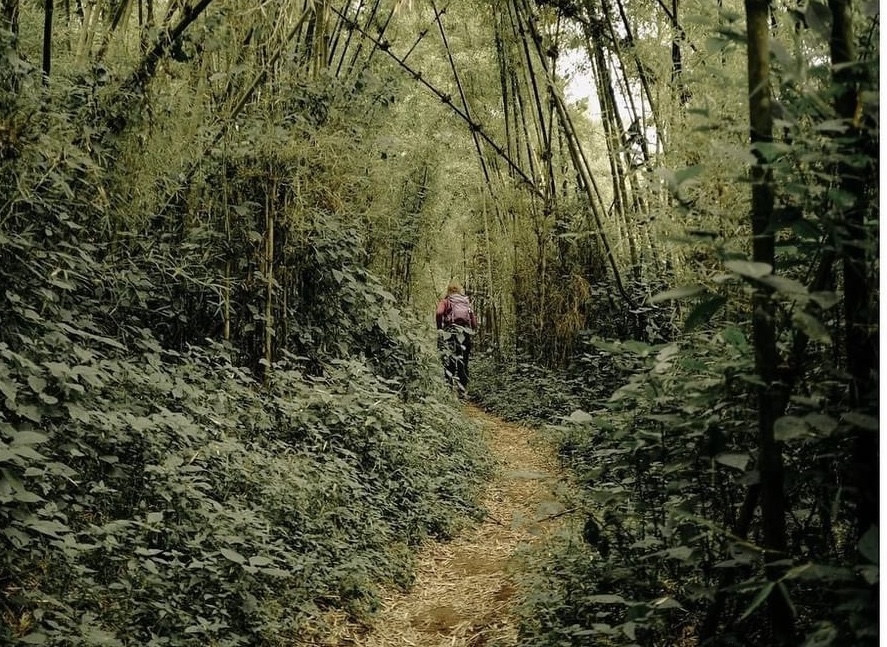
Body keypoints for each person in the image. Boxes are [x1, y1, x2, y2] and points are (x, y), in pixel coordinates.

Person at [435, 281, 477, 397]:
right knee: (463, 362)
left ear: (449, 290)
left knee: (450, 362)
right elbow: (474, 323)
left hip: (450, 333)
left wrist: (440, 328)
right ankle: (462, 392)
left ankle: (448, 391)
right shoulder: (466, 302)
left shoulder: (446, 301)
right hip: (464, 334)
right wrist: (470, 328)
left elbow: (439, 313)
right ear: (459, 290)